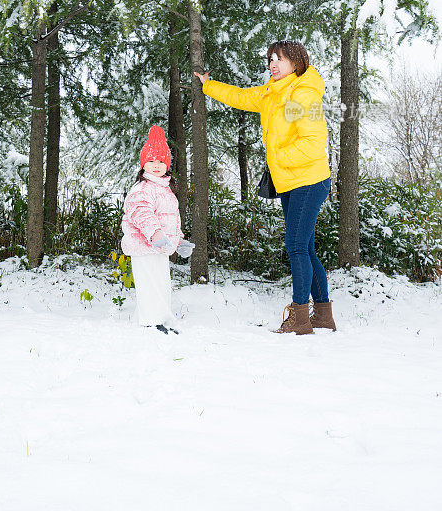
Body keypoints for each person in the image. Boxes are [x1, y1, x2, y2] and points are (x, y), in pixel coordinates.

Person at [194, 41, 336, 335]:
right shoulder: (272, 92)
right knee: (305, 248)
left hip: (308, 181)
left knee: (297, 247)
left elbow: (313, 144)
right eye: (271, 59)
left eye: (280, 59)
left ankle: (300, 319)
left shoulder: (302, 94)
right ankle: (323, 315)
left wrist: (277, 160)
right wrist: (209, 85)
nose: (273, 64)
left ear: (296, 62)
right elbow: (241, 96)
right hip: (291, 181)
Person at [121, 125, 195, 334]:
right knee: (150, 284)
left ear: (167, 165)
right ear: (144, 163)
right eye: (151, 161)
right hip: (144, 246)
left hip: (159, 247)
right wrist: (155, 233)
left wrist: (178, 241)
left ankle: (161, 320)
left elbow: (170, 220)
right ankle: (150, 322)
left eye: (161, 161)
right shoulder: (143, 188)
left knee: (161, 285)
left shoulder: (165, 190)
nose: (156, 165)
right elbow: (140, 213)